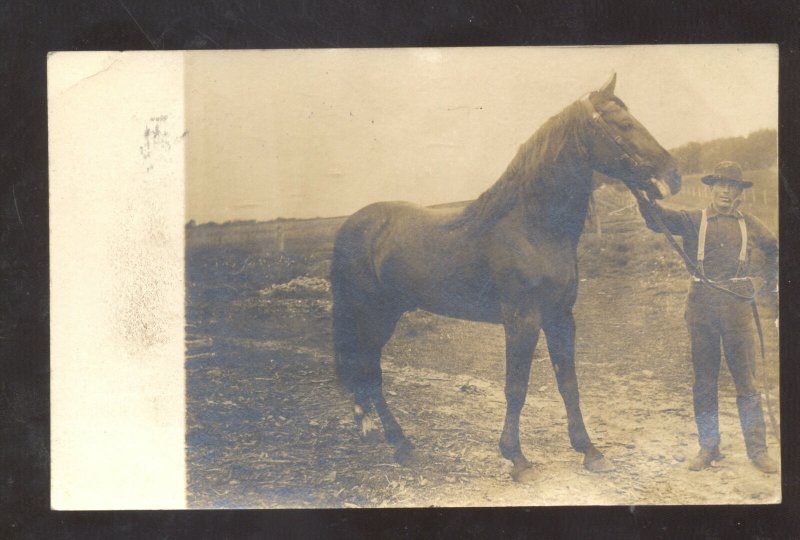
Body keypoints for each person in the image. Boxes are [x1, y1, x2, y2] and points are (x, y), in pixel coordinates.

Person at [637, 161, 778, 474]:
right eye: (721, 185)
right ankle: (709, 447)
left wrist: (764, 284)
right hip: (701, 309)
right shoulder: (693, 220)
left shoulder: (750, 223)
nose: (726, 191)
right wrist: (641, 191)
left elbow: (776, 251)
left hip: (737, 309)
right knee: (704, 381)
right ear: (711, 188)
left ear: (740, 192)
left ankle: (758, 451)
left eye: (733, 185)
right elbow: (654, 218)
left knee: (747, 382)